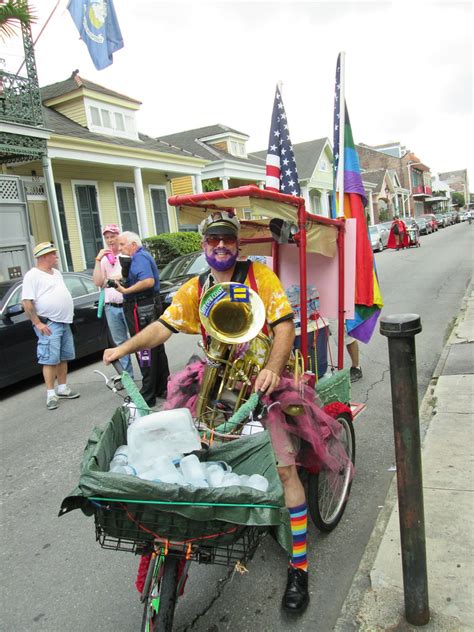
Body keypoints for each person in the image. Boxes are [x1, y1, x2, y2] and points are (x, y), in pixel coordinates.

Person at [103, 212, 346, 614]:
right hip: (217, 380)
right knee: (186, 448)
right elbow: (163, 327)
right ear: (204, 245)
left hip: (265, 382)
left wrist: (271, 368)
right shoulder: (196, 287)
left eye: (227, 240)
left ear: (237, 245)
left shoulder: (258, 277)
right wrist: (123, 348)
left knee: (284, 469)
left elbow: (284, 325)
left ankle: (299, 566)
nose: (220, 246)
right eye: (212, 239)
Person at [113, 231, 170, 407]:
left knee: (144, 348)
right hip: (148, 305)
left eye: (122, 245)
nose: (120, 248)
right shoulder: (142, 256)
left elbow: (148, 281)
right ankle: (162, 387)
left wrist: (125, 291)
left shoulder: (139, 257)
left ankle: (148, 394)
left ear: (133, 244)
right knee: (156, 348)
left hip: (141, 307)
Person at [21, 242, 80, 410]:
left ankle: (62, 387)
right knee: (49, 359)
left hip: (64, 321)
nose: (56, 256)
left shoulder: (56, 273)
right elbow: (26, 302)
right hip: (49, 323)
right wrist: (37, 323)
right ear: (45, 256)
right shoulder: (32, 275)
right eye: (53, 254)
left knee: (63, 357)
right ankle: (50, 394)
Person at [92, 224, 134, 377]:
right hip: (111, 306)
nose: (110, 240)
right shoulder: (104, 260)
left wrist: (108, 279)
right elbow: (98, 281)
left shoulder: (125, 255)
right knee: (120, 343)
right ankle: (127, 377)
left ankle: (147, 372)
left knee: (137, 338)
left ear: (119, 236)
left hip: (127, 303)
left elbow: (125, 276)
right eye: (107, 237)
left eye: (113, 237)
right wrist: (98, 259)